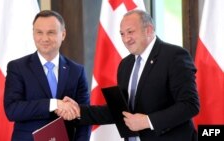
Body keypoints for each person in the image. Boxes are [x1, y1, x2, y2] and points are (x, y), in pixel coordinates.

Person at [61, 9, 200, 141]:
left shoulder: (174, 56)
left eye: (130, 32)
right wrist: (79, 111)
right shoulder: (125, 65)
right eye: (122, 34)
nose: (126, 39)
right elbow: (120, 111)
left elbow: (190, 105)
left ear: (149, 30)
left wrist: (148, 121)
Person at [4, 10, 91, 141]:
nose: (45, 38)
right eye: (39, 32)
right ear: (33, 34)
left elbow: (84, 116)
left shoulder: (76, 71)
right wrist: (54, 104)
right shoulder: (17, 68)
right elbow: (12, 110)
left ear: (63, 34)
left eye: (51, 32)